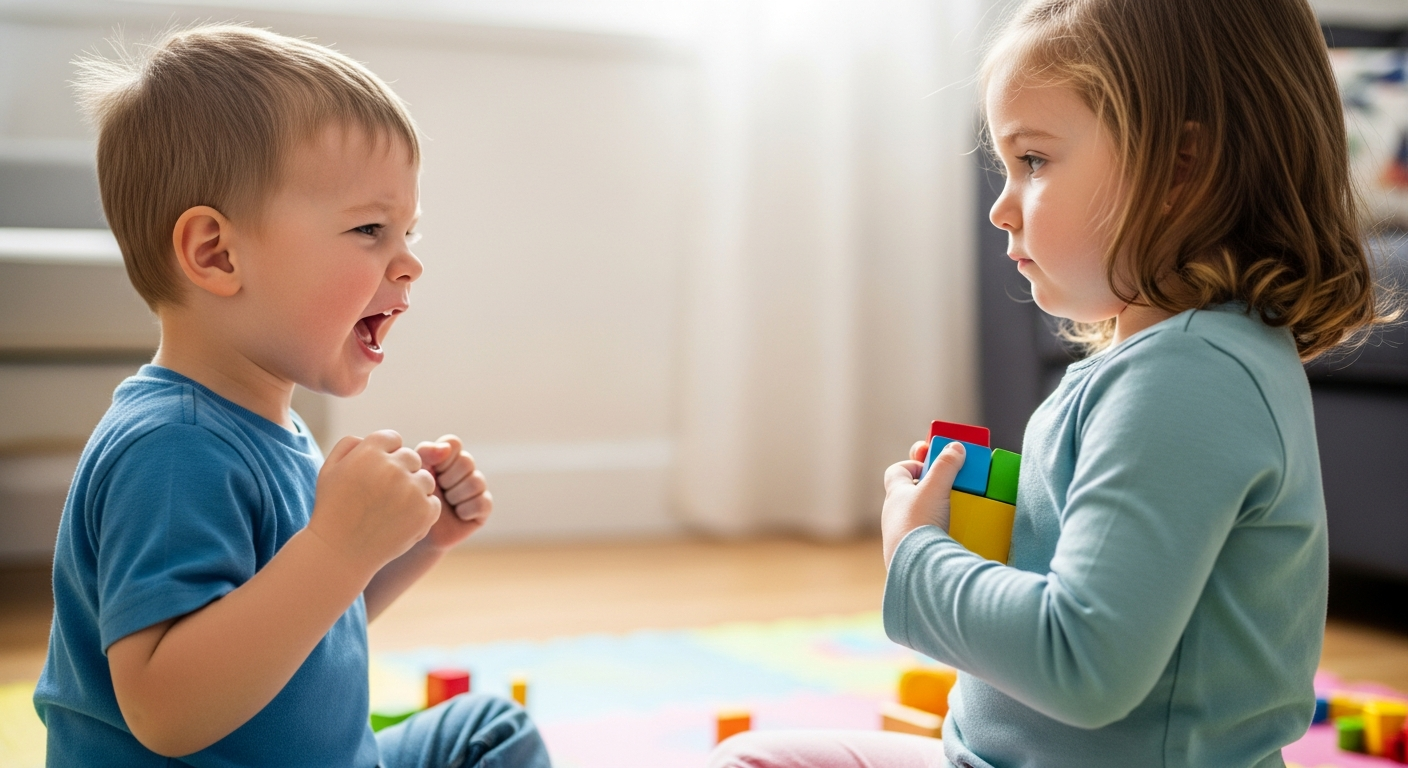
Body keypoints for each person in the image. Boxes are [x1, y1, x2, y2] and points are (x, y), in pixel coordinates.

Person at [711, 0, 1393, 766]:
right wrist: (989, 534)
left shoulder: (1187, 383)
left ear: (1181, 166)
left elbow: (1081, 662)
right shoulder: (1176, 366)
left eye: (1032, 161)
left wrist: (919, 553)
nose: (1001, 208)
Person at [33, 25, 552, 768]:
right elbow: (167, 710)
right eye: (370, 228)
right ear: (217, 253)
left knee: (489, 729)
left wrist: (407, 544)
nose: (410, 263)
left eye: (408, 231)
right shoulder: (172, 449)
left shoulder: (268, 426)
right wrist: (339, 547)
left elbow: (297, 632)